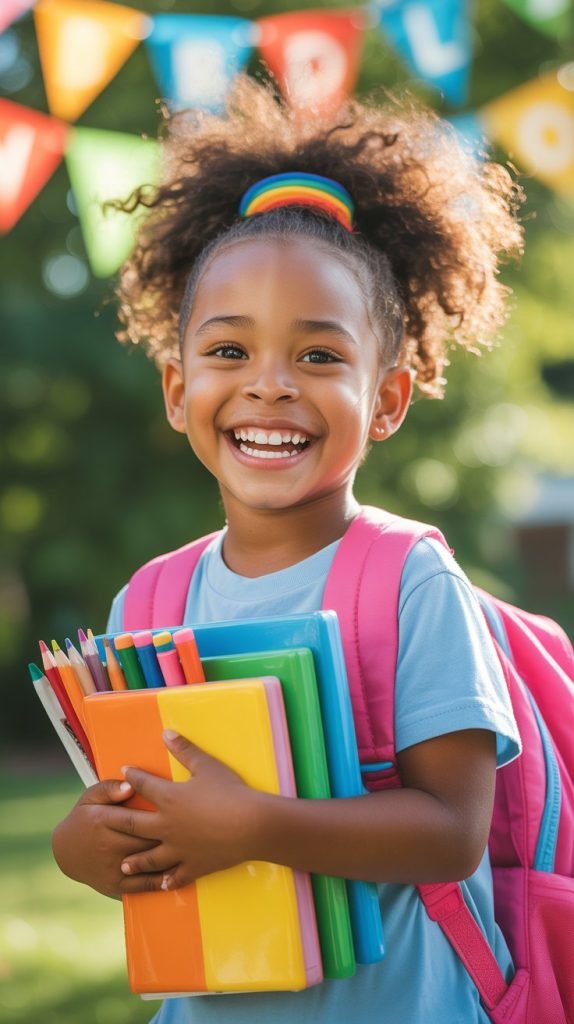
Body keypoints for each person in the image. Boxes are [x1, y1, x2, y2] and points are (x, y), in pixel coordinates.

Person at [52, 78, 525, 1023]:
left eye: (317, 357)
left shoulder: (410, 580)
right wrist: (84, 844)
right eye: (229, 353)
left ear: (386, 400)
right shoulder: (145, 604)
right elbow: (132, 831)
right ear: (177, 389)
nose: (269, 387)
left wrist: (260, 827)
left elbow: (451, 835)